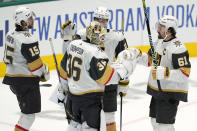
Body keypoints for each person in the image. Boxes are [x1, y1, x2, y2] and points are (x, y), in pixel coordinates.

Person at [58, 21, 137, 131]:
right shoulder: (95, 52)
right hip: (89, 102)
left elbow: (63, 70)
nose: (102, 38)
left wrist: (62, 89)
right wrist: (125, 68)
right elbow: (107, 78)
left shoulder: (73, 45)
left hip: (73, 99)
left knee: (74, 126)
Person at [127, 15, 191, 131]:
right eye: (158, 26)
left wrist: (166, 73)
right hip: (158, 90)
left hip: (170, 92)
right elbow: (150, 61)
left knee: (164, 126)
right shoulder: (159, 43)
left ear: (170, 30)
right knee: (154, 121)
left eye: (161, 28)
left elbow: (185, 74)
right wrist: (138, 55)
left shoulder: (178, 48)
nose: (157, 30)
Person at [2, 7, 50, 131]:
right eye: (29, 18)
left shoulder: (10, 33)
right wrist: (44, 74)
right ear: (23, 21)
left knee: (26, 114)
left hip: (12, 80)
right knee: (28, 116)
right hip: (25, 82)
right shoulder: (28, 39)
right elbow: (35, 65)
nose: (32, 20)